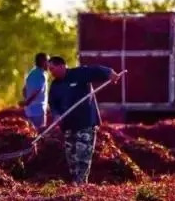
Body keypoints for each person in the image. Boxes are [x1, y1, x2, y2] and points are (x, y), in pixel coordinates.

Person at [47, 55, 121, 185]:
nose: (50, 72)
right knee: (71, 157)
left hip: (85, 123)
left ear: (62, 66)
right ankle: (76, 181)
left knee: (83, 155)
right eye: (49, 69)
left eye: (52, 69)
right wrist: (56, 115)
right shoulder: (55, 86)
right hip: (68, 126)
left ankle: (80, 184)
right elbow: (53, 104)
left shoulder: (79, 73)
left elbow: (96, 70)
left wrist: (109, 73)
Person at [21, 52, 49, 129]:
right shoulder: (41, 75)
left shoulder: (31, 73)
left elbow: (24, 90)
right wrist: (27, 102)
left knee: (31, 132)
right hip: (38, 111)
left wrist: (27, 102)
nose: (49, 64)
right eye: (48, 61)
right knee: (40, 134)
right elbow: (36, 91)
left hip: (29, 111)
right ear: (44, 62)